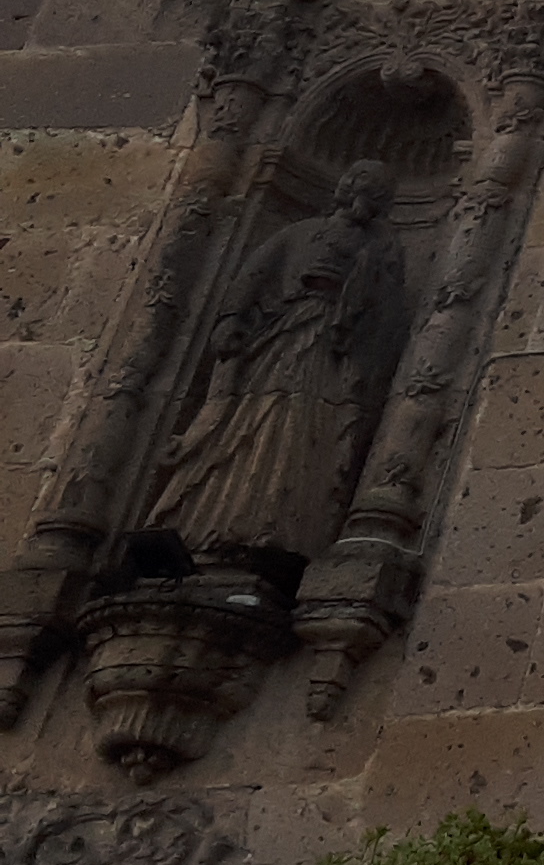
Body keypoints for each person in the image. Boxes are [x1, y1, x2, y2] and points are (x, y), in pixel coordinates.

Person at [144, 159, 408, 567]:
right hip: (277, 336)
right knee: (245, 423)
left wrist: (368, 281)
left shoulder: (380, 248)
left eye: (374, 189)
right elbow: (254, 274)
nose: (362, 192)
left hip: (328, 346)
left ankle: (280, 529)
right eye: (358, 181)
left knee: (304, 430)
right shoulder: (298, 233)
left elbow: (384, 311)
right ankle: (208, 526)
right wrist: (232, 319)